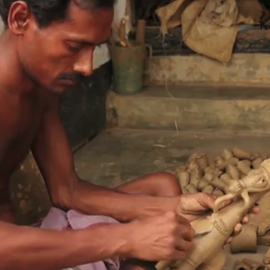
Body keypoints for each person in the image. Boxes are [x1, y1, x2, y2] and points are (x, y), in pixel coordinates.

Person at [0, 0, 259, 269]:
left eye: (95, 48)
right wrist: (123, 239)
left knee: (163, 189)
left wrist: (172, 207)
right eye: (74, 47)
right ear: (20, 19)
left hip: (22, 236)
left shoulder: (42, 87)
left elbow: (68, 190)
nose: (87, 67)